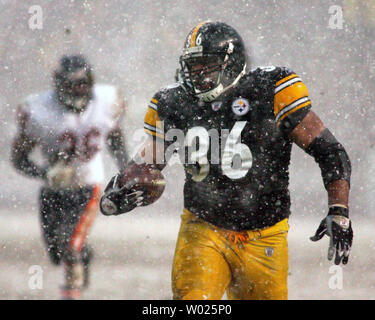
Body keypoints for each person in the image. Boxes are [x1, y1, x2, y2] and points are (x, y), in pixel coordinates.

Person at [100, 21, 353, 300]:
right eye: (192, 66)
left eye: (204, 65)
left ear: (230, 63)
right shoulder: (175, 103)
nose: (196, 74)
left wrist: (339, 210)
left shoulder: (269, 91)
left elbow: (330, 151)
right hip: (203, 227)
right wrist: (119, 187)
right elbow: (148, 164)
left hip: (265, 234)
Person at [11, 54, 128, 299]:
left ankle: (72, 292)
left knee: (68, 245)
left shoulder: (106, 102)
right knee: (56, 251)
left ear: (91, 82)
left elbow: (115, 138)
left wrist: (125, 168)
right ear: (57, 84)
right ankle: (84, 255)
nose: (76, 90)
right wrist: (46, 173)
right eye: (69, 84)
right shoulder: (40, 111)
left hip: (88, 185)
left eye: (81, 84)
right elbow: (18, 159)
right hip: (52, 190)